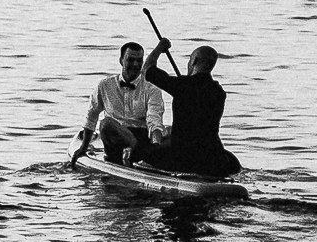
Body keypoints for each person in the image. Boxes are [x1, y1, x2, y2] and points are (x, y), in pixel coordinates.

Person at [142, 37, 243, 178]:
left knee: (146, 153)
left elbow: (147, 69)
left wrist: (160, 47)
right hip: (214, 156)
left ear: (194, 61)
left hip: (185, 157)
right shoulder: (218, 91)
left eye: (189, 60)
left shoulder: (182, 85)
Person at [72, 40, 168, 165]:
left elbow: (154, 120)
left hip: (141, 139)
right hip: (114, 138)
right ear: (121, 60)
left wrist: (156, 147)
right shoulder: (105, 85)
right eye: (130, 60)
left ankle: (144, 154)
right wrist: (83, 148)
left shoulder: (152, 88)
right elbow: (91, 116)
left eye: (139, 61)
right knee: (106, 124)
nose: (135, 64)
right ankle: (133, 153)